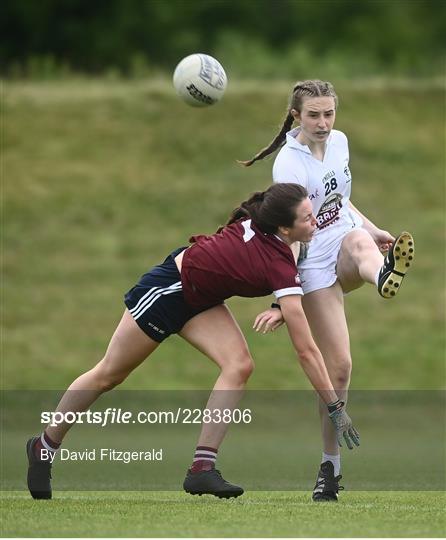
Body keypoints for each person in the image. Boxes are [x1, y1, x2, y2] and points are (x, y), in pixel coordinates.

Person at [26, 182, 359, 501]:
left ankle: (202, 467)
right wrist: (334, 406)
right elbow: (306, 351)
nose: (315, 220)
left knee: (239, 364)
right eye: (307, 218)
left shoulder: (275, 230)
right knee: (108, 375)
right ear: (284, 229)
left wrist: (278, 307)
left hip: (201, 298)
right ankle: (45, 446)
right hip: (168, 291)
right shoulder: (276, 260)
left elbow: (298, 255)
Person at [241, 79, 415, 501]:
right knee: (338, 371)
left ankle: (383, 274)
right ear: (296, 116)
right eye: (314, 115)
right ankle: (329, 469)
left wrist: (374, 230)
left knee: (357, 239)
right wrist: (284, 299)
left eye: (329, 113)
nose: (323, 123)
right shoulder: (289, 165)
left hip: (347, 244)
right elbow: (290, 236)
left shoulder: (340, 143)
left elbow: (342, 200)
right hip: (311, 262)